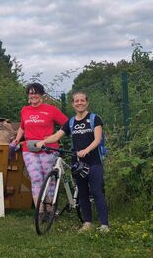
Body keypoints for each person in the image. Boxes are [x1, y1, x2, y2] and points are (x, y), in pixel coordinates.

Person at [36, 91, 109, 233]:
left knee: (96, 191)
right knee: (82, 192)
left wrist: (86, 150)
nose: (80, 103)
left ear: (87, 102)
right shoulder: (71, 122)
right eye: (77, 101)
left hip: (93, 161)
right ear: (73, 104)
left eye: (82, 100)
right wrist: (43, 141)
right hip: (77, 162)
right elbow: (57, 136)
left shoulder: (94, 119)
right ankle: (87, 223)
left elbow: (97, 140)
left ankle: (104, 224)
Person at [11, 82, 68, 208]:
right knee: (36, 179)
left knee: (50, 179)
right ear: (28, 96)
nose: (33, 95)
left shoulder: (51, 110)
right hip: (29, 149)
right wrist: (17, 139)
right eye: (31, 93)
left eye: (36, 92)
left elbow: (67, 124)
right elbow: (22, 127)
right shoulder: (25, 110)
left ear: (41, 94)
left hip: (48, 149)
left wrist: (56, 136)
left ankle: (50, 208)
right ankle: (40, 211)